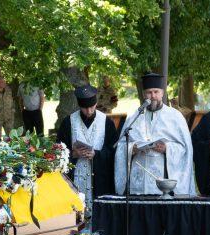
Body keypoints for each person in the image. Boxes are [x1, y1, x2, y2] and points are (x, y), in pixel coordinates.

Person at [114, 73, 195, 195]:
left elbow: (186, 148)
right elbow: (121, 145)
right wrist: (132, 148)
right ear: (143, 94)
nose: (153, 96)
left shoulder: (175, 117)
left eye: (156, 92)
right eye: (149, 92)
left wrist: (167, 148)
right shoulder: (134, 116)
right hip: (138, 179)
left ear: (162, 93)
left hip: (163, 179)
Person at [57, 84, 118, 217]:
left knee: (99, 216)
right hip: (76, 176)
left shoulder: (107, 122)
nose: (89, 111)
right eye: (85, 108)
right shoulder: (68, 122)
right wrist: (73, 154)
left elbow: (114, 151)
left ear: (96, 103)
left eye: (92, 106)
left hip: (100, 179)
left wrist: (97, 154)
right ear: (80, 106)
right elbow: (59, 151)